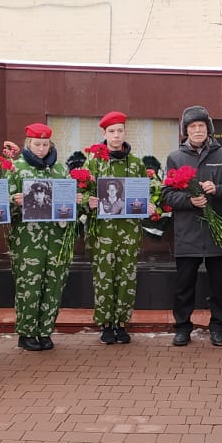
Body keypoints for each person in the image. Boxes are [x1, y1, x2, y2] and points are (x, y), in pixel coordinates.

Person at [163, 105, 222, 347]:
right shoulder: (175, 158)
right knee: (184, 286)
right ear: (185, 131)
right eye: (192, 127)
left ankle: (218, 327)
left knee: (219, 286)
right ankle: (182, 328)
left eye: (201, 126)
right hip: (188, 234)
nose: (197, 130)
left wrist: (218, 189)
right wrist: (189, 201)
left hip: (218, 235)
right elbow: (167, 194)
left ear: (209, 129)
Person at [85, 112, 146, 344]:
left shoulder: (136, 164)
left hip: (129, 232)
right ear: (104, 133)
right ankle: (105, 324)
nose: (116, 135)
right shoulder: (93, 162)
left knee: (126, 277)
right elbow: (81, 192)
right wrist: (87, 201)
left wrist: (150, 203)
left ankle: (121, 323)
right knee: (104, 277)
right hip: (102, 232)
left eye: (120, 130)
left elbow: (148, 190)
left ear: (125, 132)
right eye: (111, 131)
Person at [9, 122, 71, 351]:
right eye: (37, 144)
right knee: (29, 285)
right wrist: (14, 201)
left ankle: (45, 331)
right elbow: (0, 204)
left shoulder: (60, 170)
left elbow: (69, 203)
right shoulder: (16, 168)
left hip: (57, 238)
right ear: (28, 143)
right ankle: (26, 332)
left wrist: (75, 201)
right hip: (27, 240)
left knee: (53, 284)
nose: (41, 149)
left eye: (45, 144)